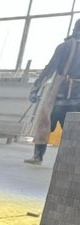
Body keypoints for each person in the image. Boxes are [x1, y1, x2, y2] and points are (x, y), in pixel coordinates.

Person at [24, 21, 80, 165]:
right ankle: (71, 161)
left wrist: (35, 89)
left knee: (44, 123)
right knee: (74, 131)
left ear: (74, 29)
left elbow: (49, 69)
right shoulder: (67, 46)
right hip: (77, 98)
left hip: (59, 94)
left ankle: (38, 156)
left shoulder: (64, 46)